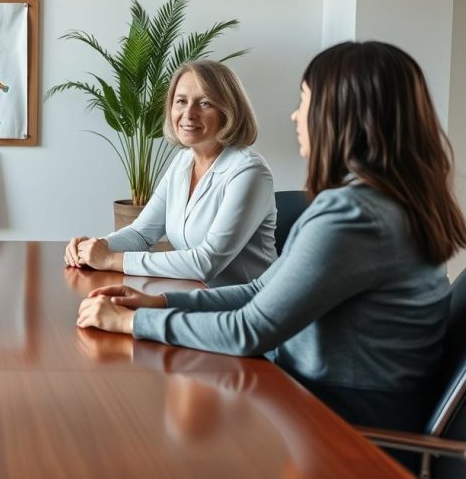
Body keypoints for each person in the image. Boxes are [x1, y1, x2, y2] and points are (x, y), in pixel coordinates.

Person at [78, 41, 466, 436]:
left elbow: (251, 330)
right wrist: (161, 301)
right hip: (346, 399)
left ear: (340, 115)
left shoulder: (353, 217)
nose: (296, 116)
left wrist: (133, 323)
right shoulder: (388, 201)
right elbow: (263, 288)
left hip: (341, 420)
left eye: (305, 102)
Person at [65, 60, 277, 288]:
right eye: (181, 101)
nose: (189, 114)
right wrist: (96, 247)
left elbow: (206, 262)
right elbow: (142, 234)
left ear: (229, 111)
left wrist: (111, 259)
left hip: (248, 310)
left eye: (204, 103)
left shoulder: (249, 172)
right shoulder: (183, 162)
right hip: (194, 297)